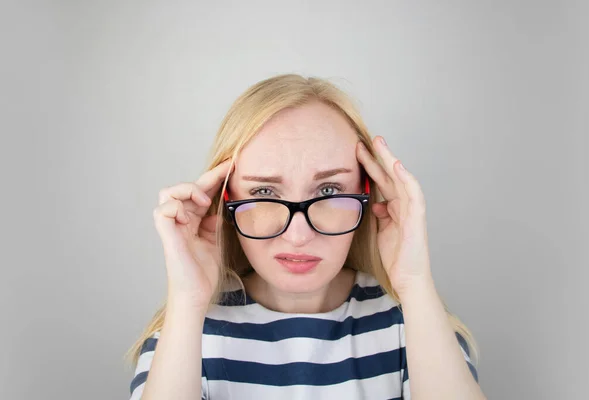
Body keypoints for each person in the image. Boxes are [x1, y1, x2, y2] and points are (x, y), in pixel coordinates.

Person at [125, 74, 486, 399]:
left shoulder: (416, 325)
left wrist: (415, 282)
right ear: (223, 201)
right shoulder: (182, 338)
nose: (299, 236)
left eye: (329, 191)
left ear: (369, 193)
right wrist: (187, 300)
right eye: (264, 193)